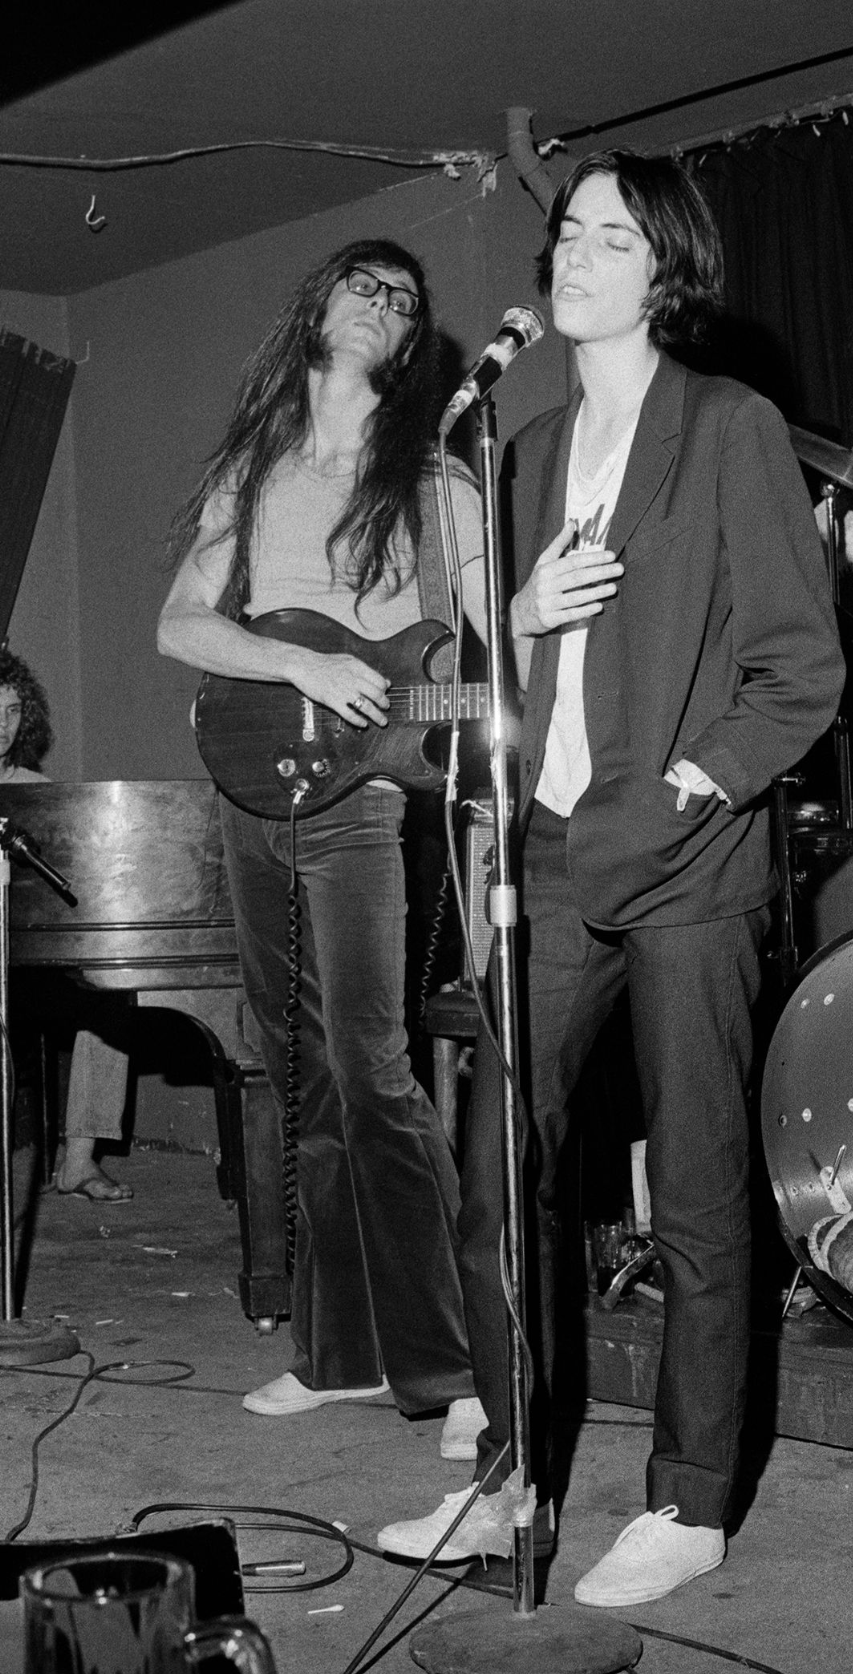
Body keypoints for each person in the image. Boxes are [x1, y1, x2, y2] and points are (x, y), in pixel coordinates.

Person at [377, 151, 845, 1602]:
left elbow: (800, 671)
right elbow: (498, 674)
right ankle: (510, 1471)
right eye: (564, 231)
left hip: (691, 854)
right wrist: (510, 615)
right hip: (555, 856)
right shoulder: (515, 452)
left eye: (608, 236)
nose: (573, 254)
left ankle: (693, 1495)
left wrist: (693, 783)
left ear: (667, 270)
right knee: (494, 1174)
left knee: (699, 1188)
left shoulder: (729, 427)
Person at [157, 239, 489, 1456]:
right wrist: (294, 654)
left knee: (373, 1071)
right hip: (255, 786)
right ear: (319, 308)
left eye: (404, 297)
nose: (383, 301)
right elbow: (181, 622)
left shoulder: (436, 481)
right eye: (364, 280)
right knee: (297, 1077)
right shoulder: (256, 469)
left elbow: (473, 647)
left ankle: (459, 1368)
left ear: (409, 347)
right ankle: (340, 1353)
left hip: (363, 800)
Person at [0, 645, 133, 1203]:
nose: (2, 723)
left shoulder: (38, 789)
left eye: (13, 710)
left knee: (111, 997)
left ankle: (80, 1161)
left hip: (30, 961)